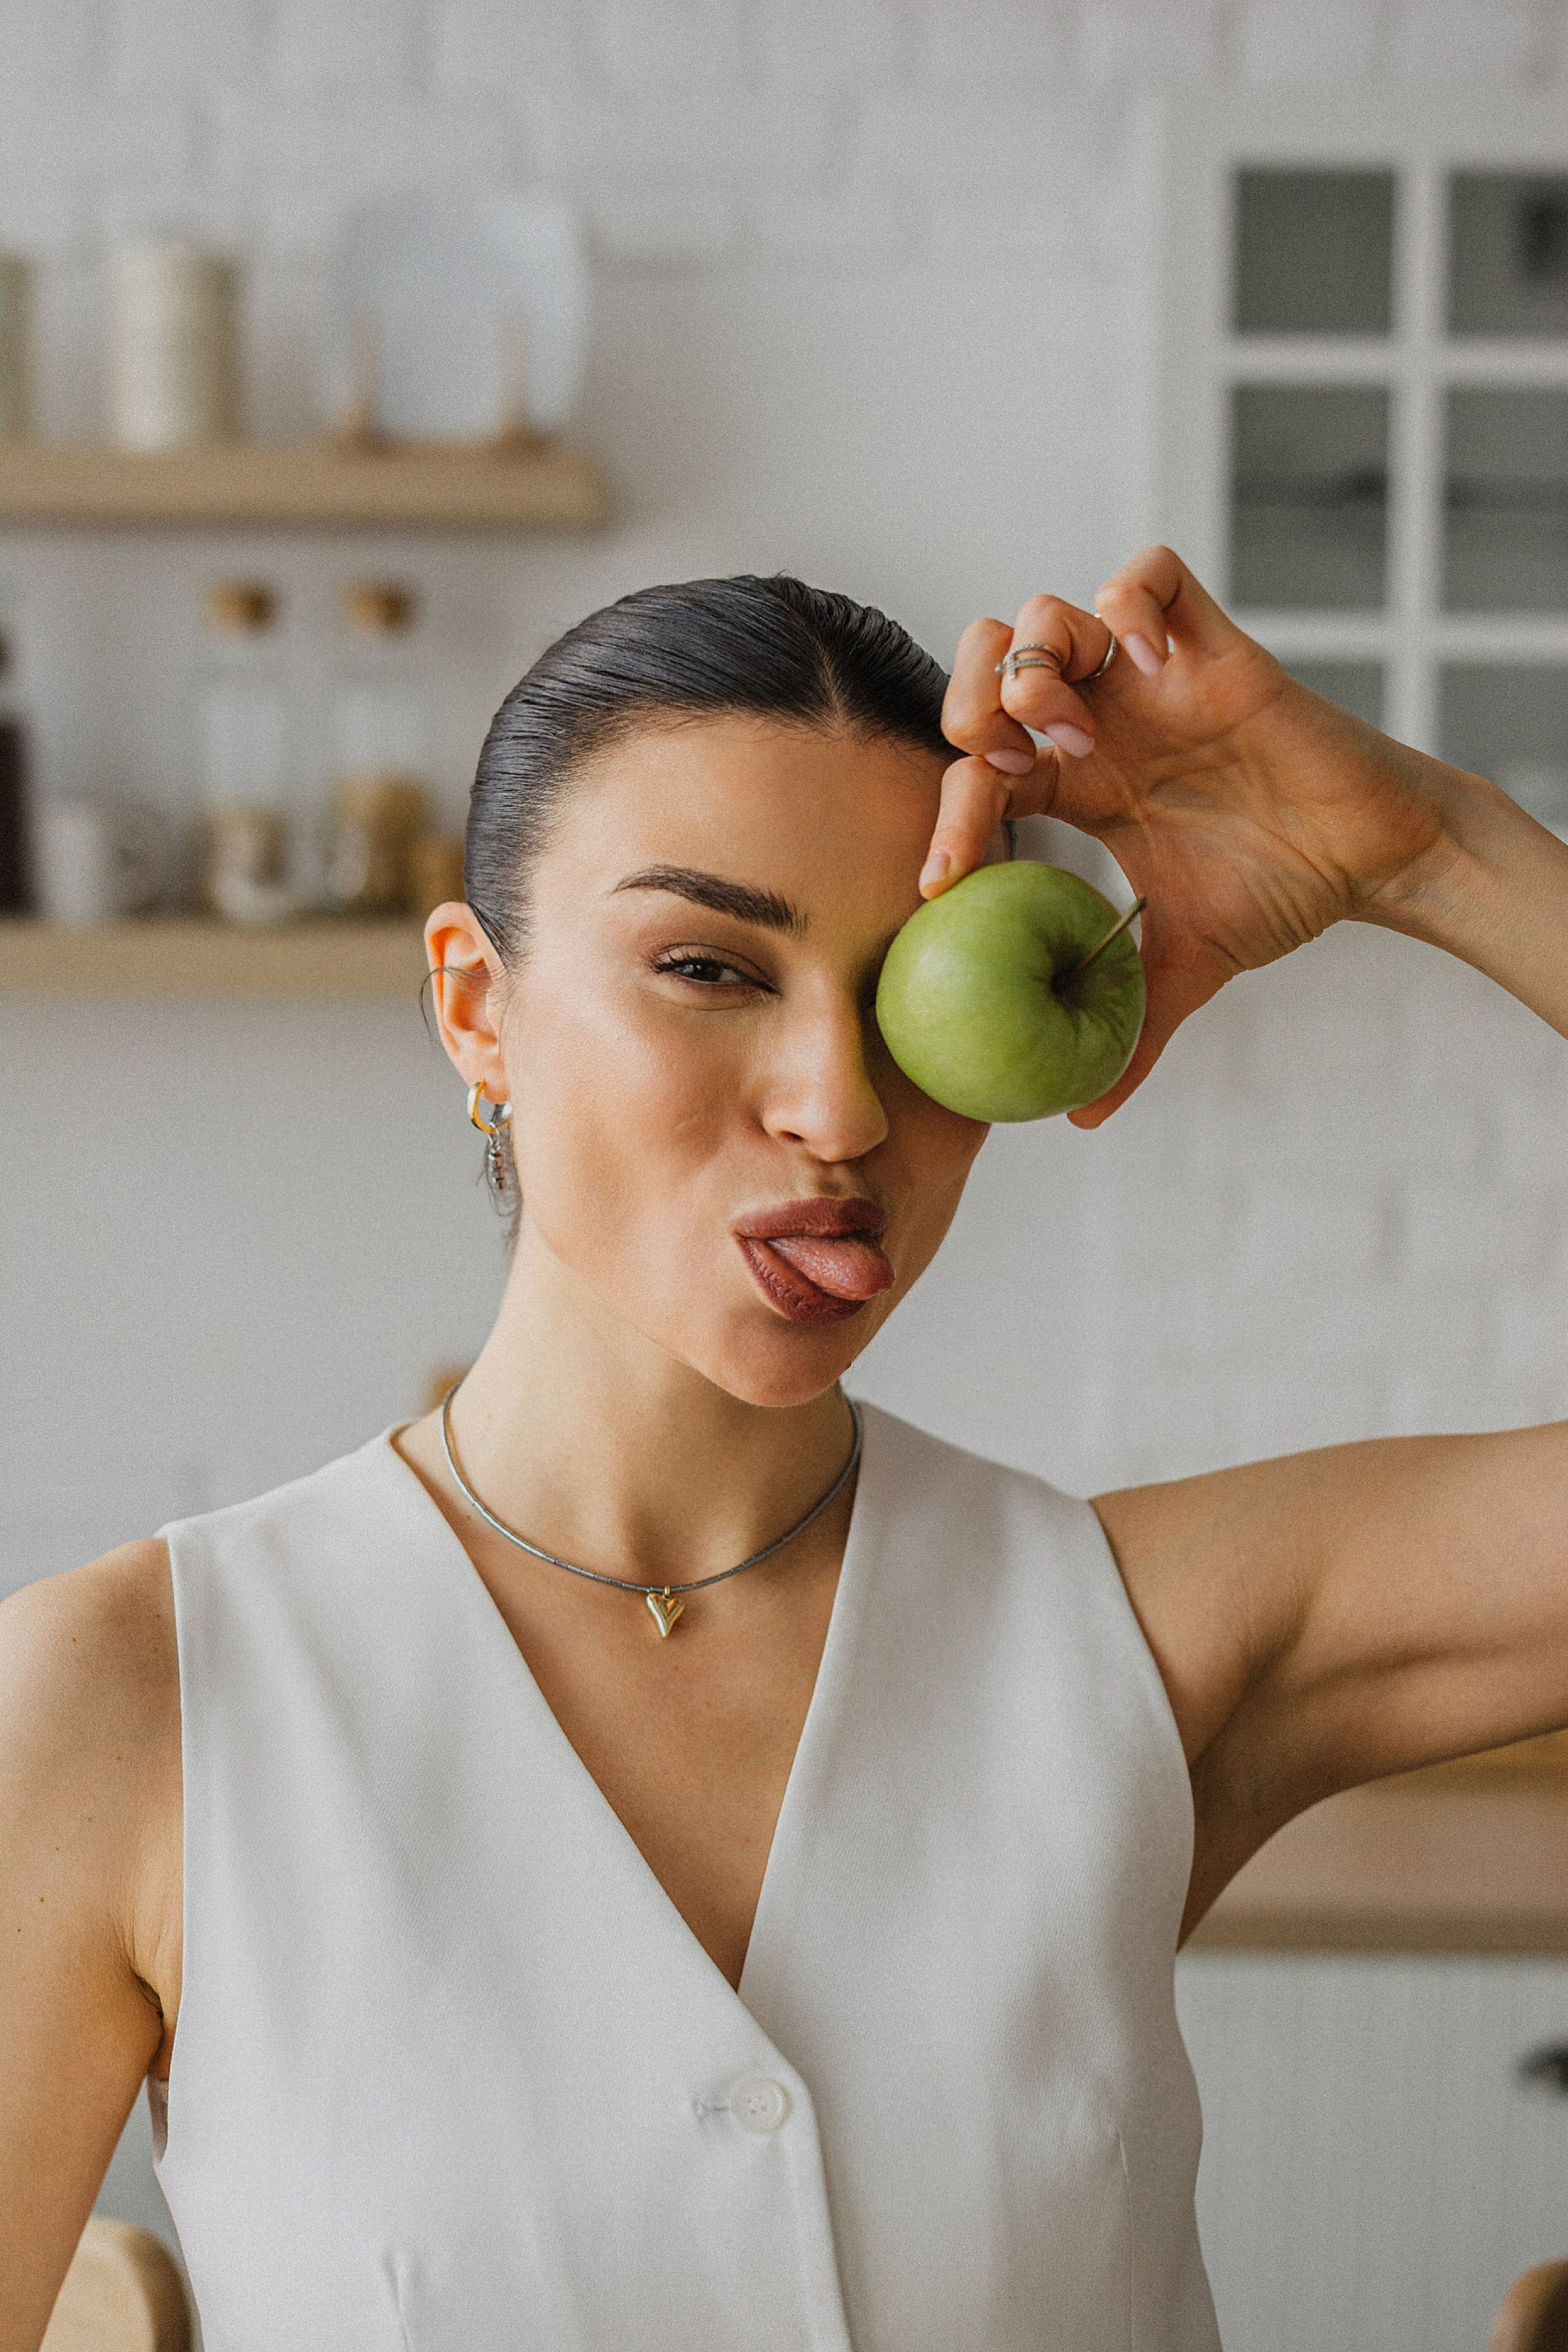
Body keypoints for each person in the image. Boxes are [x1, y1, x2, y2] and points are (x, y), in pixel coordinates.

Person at [2, 548, 1565, 2352]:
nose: (839, 1106)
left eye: (909, 994)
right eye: (707, 966)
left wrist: (1425, 851)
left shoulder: (1145, 1638)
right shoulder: (128, 1702)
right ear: (474, 1007)